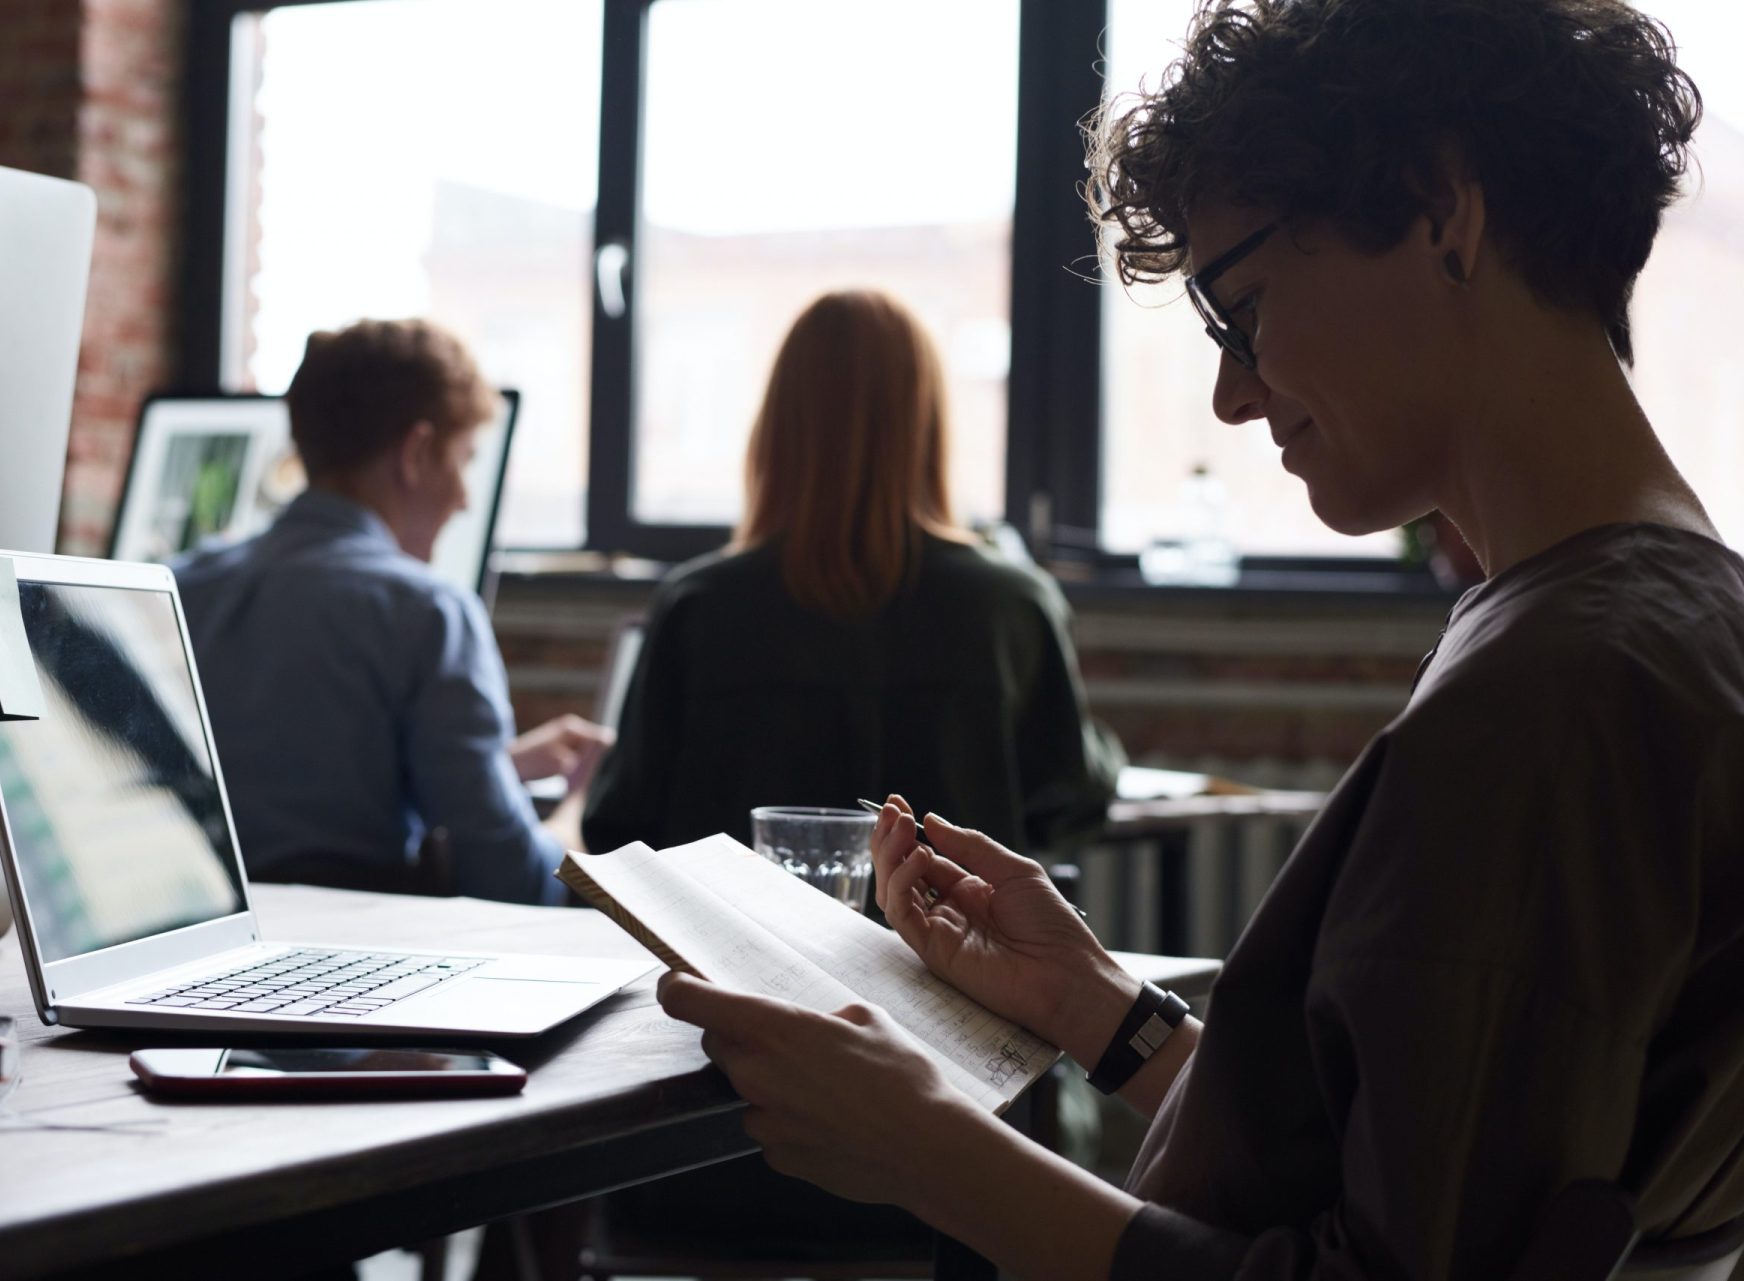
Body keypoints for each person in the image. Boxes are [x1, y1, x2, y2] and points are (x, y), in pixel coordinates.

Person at [655, 1, 1744, 1276]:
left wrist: (931, 1152)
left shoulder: (1561, 694)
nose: (1232, 394)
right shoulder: (1667, 621)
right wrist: (1093, 1006)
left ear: (1445, 213)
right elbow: (1424, 1175)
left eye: (1244, 309)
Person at [582, 289, 1124, 855]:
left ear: (778, 425)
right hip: (944, 942)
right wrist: (1103, 752)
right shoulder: (1013, 603)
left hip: (735, 942)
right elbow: (1070, 800)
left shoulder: (698, 603)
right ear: (928, 426)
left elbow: (620, 823)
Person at [176, 318, 606, 905]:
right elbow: (511, 881)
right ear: (417, 452)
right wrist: (573, 817)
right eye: (463, 459)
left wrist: (496, 768)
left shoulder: (182, 585)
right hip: (354, 954)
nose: (464, 497)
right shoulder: (428, 612)